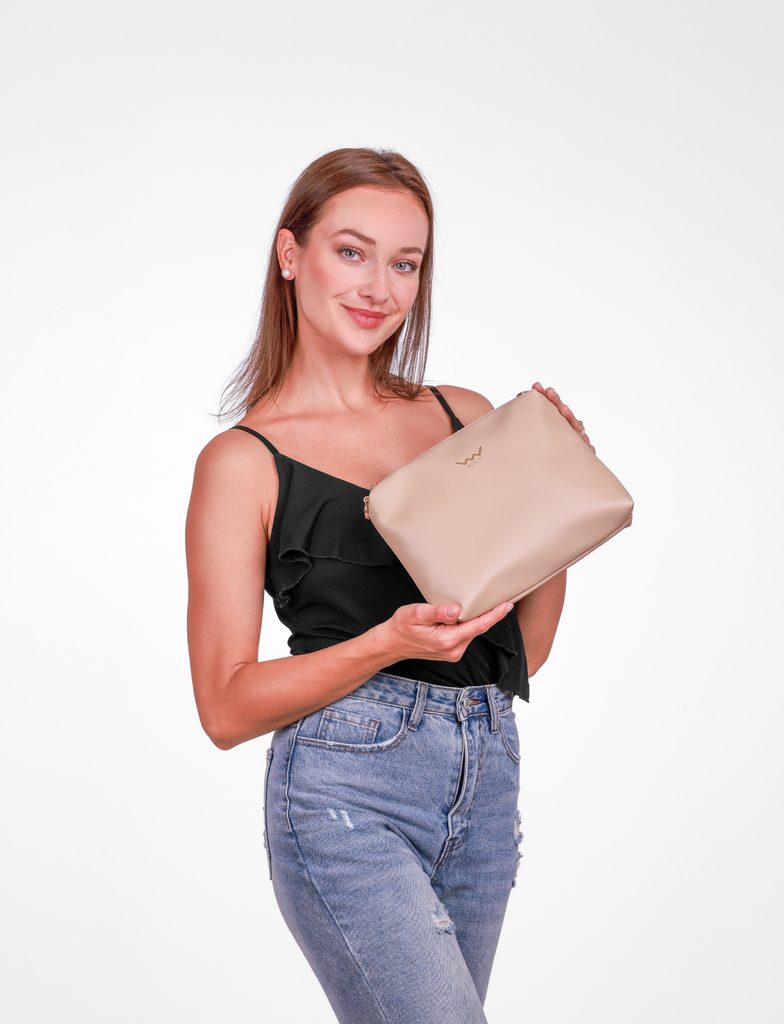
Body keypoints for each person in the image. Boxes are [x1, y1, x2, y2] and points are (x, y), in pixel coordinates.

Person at [185, 147, 593, 1023]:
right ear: (290, 253)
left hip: (486, 779)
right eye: (352, 252)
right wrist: (386, 644)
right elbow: (223, 707)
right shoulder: (242, 463)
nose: (379, 287)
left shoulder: (462, 418)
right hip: (345, 792)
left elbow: (523, 651)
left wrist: (556, 498)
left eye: (405, 264)